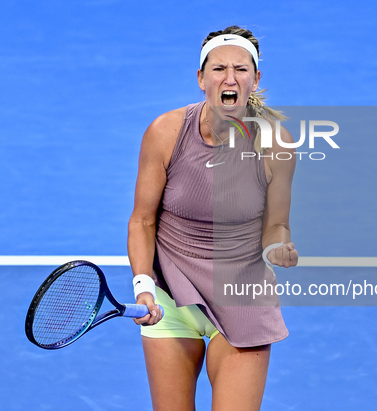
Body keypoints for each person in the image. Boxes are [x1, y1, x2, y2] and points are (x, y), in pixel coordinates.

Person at [127, 25, 298, 411]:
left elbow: (275, 222)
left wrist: (279, 243)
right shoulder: (165, 133)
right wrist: (144, 285)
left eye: (241, 69)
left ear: (255, 80)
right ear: (201, 78)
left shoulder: (276, 145)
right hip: (172, 293)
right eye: (219, 68)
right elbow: (142, 221)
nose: (230, 78)